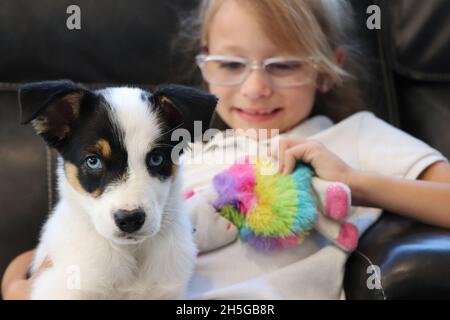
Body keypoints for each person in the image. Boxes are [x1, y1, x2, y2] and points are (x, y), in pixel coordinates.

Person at [2, 0, 450, 299]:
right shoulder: (179, 145)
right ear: (205, 62)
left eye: (285, 64)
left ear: (328, 70)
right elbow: (65, 246)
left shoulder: (353, 136)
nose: (255, 87)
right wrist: (19, 281)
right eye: (232, 64)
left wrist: (354, 183)